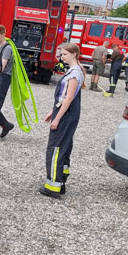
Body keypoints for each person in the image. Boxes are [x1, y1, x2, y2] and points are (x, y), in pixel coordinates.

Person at [42, 43, 85, 198]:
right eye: (61, 54)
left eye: (65, 54)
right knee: (65, 147)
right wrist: (52, 112)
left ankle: (52, 186)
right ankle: (61, 182)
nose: (62, 56)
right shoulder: (75, 71)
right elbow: (63, 98)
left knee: (55, 148)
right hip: (67, 113)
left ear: (74, 54)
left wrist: (57, 119)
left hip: (66, 116)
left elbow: (68, 99)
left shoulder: (74, 74)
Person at [0, 25, 15, 138]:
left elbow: (2, 66)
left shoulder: (7, 49)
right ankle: (5, 124)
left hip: (3, 78)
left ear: (3, 35)